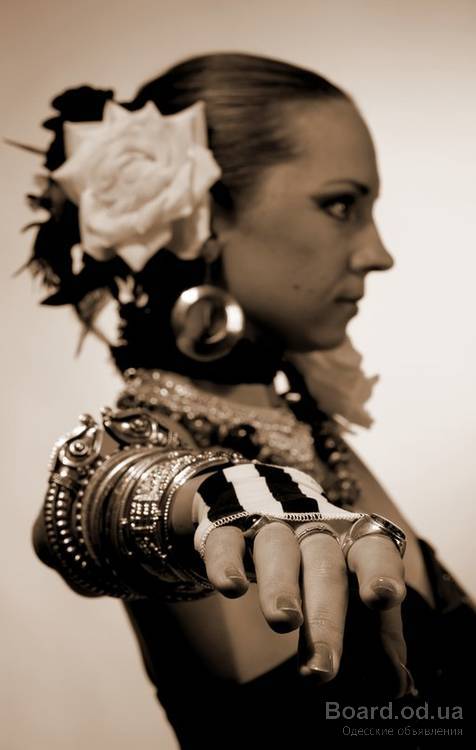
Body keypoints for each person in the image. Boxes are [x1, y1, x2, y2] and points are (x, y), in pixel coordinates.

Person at [23, 53, 474, 747]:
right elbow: (80, 507)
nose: (378, 253)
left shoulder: (307, 429)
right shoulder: (140, 437)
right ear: (204, 215)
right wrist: (206, 492)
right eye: (341, 205)